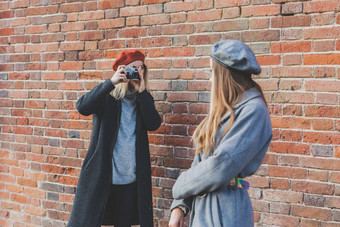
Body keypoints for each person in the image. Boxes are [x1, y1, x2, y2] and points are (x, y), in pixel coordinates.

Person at [168, 40, 273, 227]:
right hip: (202, 206)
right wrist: (180, 206)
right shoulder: (224, 109)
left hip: (226, 211)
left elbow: (221, 166)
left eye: (212, 72)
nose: (210, 79)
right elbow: (200, 161)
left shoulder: (254, 110)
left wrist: (180, 186)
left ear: (225, 75)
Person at [68, 50, 161, 227]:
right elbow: (82, 107)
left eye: (142, 69)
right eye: (134, 68)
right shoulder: (107, 98)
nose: (138, 73)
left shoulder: (143, 100)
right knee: (88, 222)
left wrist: (142, 93)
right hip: (104, 177)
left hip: (129, 178)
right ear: (123, 70)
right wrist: (111, 82)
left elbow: (153, 124)